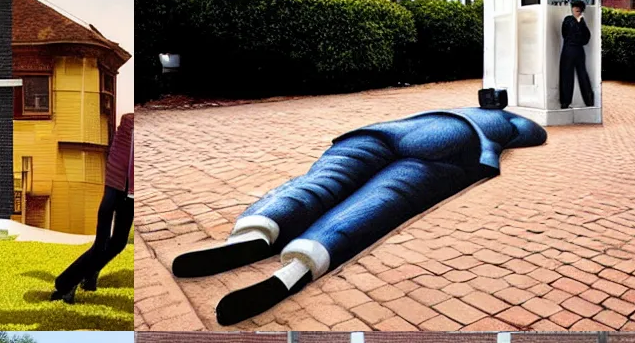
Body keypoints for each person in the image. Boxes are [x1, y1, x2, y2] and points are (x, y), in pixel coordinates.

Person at [171, 104, 546, 325]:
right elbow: (535, 133)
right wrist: (505, 119)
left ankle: (255, 233)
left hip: (376, 133)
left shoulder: (439, 110)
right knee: (382, 200)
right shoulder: (498, 120)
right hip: (451, 142)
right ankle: (296, 268)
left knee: (319, 182)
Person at [51, 112, 133, 304]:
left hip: (128, 190)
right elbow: (120, 159)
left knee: (119, 242)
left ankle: (88, 275)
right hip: (118, 188)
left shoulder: (130, 125)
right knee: (103, 243)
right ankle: (66, 284)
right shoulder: (129, 125)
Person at [560, 0, 594, 110]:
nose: (576, 11)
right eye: (575, 9)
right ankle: (565, 102)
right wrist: (578, 24)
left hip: (579, 51)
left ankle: (589, 101)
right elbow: (567, 34)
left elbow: (586, 38)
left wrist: (580, 23)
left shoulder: (582, 22)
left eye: (579, 10)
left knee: (583, 75)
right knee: (566, 76)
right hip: (569, 50)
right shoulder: (568, 20)